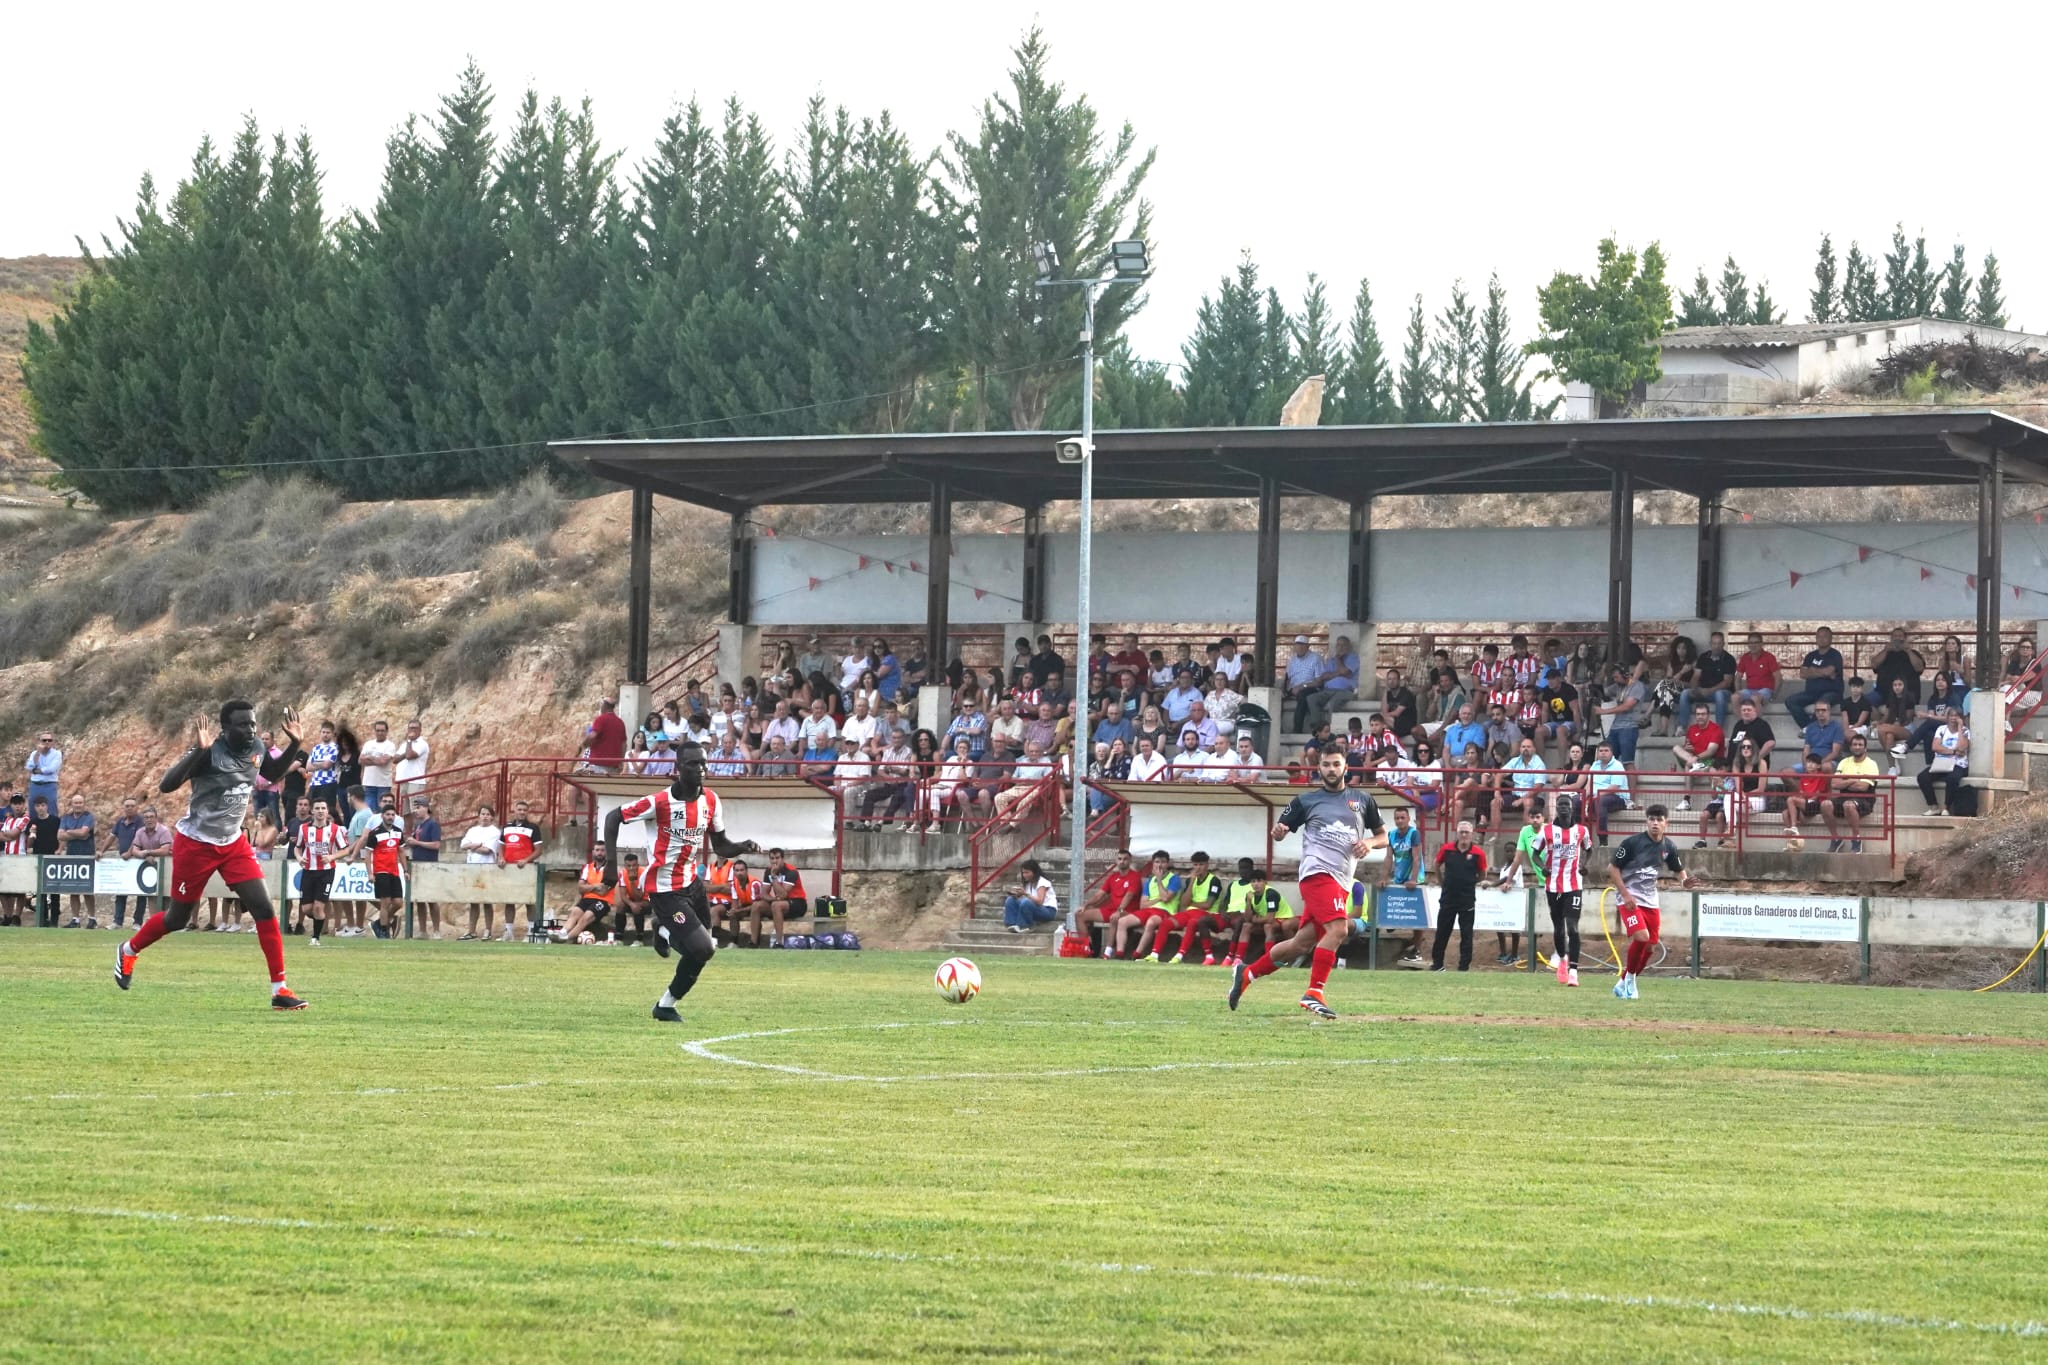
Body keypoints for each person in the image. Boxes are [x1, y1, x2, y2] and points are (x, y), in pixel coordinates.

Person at [113, 702, 308, 1010]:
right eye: (243, 725)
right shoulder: (210, 751)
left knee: (264, 909)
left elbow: (270, 774)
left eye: (253, 724)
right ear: (224, 729)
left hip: (233, 843)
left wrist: (295, 744)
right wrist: (198, 750)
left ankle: (279, 989)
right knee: (177, 918)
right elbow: (166, 785)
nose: (251, 730)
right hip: (196, 844)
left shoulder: (255, 746)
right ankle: (129, 949)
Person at [602, 741, 761, 1022]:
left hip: (693, 885)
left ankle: (665, 1005)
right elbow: (614, 817)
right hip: (665, 890)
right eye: (693, 764)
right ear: (678, 768)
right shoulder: (660, 802)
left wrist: (742, 846)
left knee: (703, 952)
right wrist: (611, 867)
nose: (701, 769)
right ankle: (662, 930)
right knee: (702, 947)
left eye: (703, 762)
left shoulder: (711, 800)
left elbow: (721, 845)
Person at [1228, 747, 1386, 1019]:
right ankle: (1314, 992)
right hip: (1316, 874)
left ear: (1345, 767)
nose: (1332, 769)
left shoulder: (1363, 800)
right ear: (1319, 769)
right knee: (1338, 929)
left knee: (1300, 944)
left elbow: (1383, 836)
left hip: (1341, 881)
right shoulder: (1305, 800)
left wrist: (1369, 842)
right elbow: (1280, 831)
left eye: (1336, 764)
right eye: (1326, 764)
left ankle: (1248, 973)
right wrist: (1278, 832)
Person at [1607, 803, 1698, 1000]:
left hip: (1650, 900)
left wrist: (1684, 881)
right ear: (1646, 821)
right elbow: (1612, 869)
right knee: (1641, 937)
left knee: (1650, 946)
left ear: (1667, 823)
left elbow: (1677, 868)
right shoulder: (1632, 843)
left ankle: (1622, 983)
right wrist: (1625, 894)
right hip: (1629, 899)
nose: (1655, 823)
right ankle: (1630, 980)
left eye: (1659, 820)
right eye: (1651, 819)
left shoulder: (1668, 846)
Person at [1534, 795, 1594, 987]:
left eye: (1566, 805)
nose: (1563, 808)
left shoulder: (1581, 831)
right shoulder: (1547, 831)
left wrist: (1585, 864)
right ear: (1556, 808)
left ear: (1572, 807)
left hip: (1574, 884)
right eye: (1560, 805)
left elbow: (1589, 849)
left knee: (1573, 927)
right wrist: (1543, 866)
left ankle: (1574, 972)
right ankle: (1562, 959)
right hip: (1553, 885)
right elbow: (1535, 853)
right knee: (1559, 928)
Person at [1429, 821, 1487, 972]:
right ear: (1457, 833)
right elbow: (1436, 864)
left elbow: (1482, 874)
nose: (1464, 835)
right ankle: (1437, 964)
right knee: (1442, 931)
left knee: (1466, 934)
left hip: (1467, 899)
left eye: (1466, 832)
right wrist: (1442, 883)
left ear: (1472, 834)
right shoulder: (1447, 849)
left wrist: (1470, 883)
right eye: (1461, 832)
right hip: (1448, 898)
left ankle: (1463, 967)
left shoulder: (1478, 853)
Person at [1117, 851, 1184, 962]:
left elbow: (1166, 899)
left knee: (1151, 922)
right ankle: (1119, 954)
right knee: (1122, 921)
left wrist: (1159, 880)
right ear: (1153, 863)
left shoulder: (1174, 879)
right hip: (1148, 910)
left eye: (1163, 862)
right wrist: (1158, 898)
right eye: (1157, 862)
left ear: (1167, 864)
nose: (1159, 865)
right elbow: (1143, 905)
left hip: (1165, 911)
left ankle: (1136, 954)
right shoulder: (1149, 881)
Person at [1074, 849, 1141, 958]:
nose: (1122, 861)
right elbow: (1099, 894)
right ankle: (1085, 949)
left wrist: (1119, 910)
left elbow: (1129, 896)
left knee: (1114, 917)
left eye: (1125, 859)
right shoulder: (1113, 877)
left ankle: (1107, 953)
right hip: (1112, 909)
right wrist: (1085, 905)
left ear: (1130, 861)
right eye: (1119, 859)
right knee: (1079, 914)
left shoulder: (1135, 877)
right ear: (1116, 861)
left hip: (1129, 912)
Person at [294, 800, 342, 946]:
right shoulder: (304, 829)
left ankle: (315, 938)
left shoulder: (335, 829)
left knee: (318, 907)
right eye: (317, 808)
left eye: (323, 808)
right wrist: (299, 857)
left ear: (327, 811)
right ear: (312, 811)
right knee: (306, 908)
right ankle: (320, 920)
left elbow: (346, 849)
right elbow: (298, 847)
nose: (320, 811)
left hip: (326, 872)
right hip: (308, 871)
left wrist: (332, 857)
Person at [1165, 851, 1225, 965]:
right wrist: (1192, 882)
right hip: (1191, 912)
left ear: (1207, 865)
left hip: (1207, 914)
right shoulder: (1190, 880)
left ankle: (1179, 955)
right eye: (1195, 865)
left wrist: (1191, 903)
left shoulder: (1214, 881)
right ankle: (1154, 955)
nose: (1198, 868)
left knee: (1193, 922)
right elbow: (1183, 903)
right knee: (1167, 923)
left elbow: (1208, 905)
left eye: (1201, 864)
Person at [1825, 734, 1881, 853]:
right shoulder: (1844, 762)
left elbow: (1862, 787)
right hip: (1843, 797)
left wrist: (1844, 781)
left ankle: (1856, 839)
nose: (1857, 747)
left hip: (1865, 800)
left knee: (1849, 805)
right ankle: (1836, 839)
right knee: (1825, 804)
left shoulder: (1871, 764)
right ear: (1850, 747)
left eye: (1860, 745)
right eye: (1855, 744)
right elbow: (1834, 784)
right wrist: (1852, 780)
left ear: (1865, 748)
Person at [499, 800, 544, 943]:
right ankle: (509, 932)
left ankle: (531, 932)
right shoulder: (506, 827)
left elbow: (539, 850)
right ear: (515, 810)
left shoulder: (533, 828)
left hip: (526, 869)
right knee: (509, 900)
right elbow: (501, 845)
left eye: (525, 810)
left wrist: (526, 860)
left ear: (527, 812)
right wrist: (501, 857)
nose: (522, 812)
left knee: (529, 900)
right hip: (509, 869)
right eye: (519, 809)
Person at [457, 804, 503, 941]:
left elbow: (487, 850)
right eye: (483, 814)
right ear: (479, 816)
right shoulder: (472, 830)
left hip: (486, 868)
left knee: (487, 901)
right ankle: (471, 931)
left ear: (492, 817)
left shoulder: (494, 832)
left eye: (488, 814)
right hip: (472, 868)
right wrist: (475, 845)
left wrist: (471, 846)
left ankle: (488, 930)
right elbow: (463, 845)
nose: (485, 817)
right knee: (473, 901)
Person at [1785, 627, 1846, 729]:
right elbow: (1802, 674)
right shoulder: (1810, 656)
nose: (1822, 639)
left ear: (1831, 639)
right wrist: (1822, 672)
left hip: (1832, 692)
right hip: (1811, 693)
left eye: (1825, 636)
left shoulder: (1835, 655)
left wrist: (1812, 670)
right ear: (1816, 638)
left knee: (1821, 703)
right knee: (1790, 701)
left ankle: (1810, 729)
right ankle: (1808, 728)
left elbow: (1828, 671)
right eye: (1819, 636)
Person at [1917, 712, 1969, 816]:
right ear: (1947, 717)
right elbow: (1935, 747)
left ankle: (1946, 807)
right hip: (1941, 763)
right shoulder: (1941, 729)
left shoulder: (1965, 731)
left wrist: (1959, 728)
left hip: (1958, 764)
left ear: (1960, 718)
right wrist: (1953, 751)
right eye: (1951, 715)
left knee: (1952, 779)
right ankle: (1933, 806)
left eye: (1956, 716)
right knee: (1922, 777)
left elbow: (1962, 747)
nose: (1953, 718)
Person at [60, 794, 98, 929]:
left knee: (87, 889)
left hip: (87, 856)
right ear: (72, 804)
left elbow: (84, 833)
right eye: (76, 803)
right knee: (73, 889)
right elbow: (60, 835)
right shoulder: (66, 818)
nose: (78, 805)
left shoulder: (88, 817)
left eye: (80, 802)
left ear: (84, 804)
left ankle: (92, 919)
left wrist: (69, 832)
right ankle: (75, 919)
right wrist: (76, 833)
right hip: (72, 856)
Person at [105, 796, 144, 930]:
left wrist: (129, 852)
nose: (129, 808)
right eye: (127, 806)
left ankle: (137, 922)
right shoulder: (120, 822)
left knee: (140, 892)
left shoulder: (140, 821)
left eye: (132, 805)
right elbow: (111, 836)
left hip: (138, 861)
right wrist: (101, 851)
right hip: (123, 862)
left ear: (137, 807)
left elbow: (138, 839)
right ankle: (117, 921)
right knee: (120, 890)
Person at [1002, 858, 1059, 933]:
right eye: (1023, 873)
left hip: (1048, 911)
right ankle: (1012, 924)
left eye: (1027, 872)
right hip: (1033, 908)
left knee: (1026, 902)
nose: (1024, 875)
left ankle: (1025, 926)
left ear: (1034, 872)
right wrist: (1018, 895)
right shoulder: (1028, 884)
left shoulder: (1043, 883)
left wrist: (1025, 894)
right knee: (1011, 900)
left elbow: (1039, 901)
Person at [25, 730, 62, 811]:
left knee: (51, 807)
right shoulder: (34, 753)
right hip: (35, 785)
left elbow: (51, 769)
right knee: (33, 807)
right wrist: (38, 753)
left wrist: (36, 771)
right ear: (40, 742)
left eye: (49, 740)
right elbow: (29, 766)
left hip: (49, 785)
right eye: (44, 740)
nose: (47, 742)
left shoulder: (57, 754)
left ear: (53, 742)